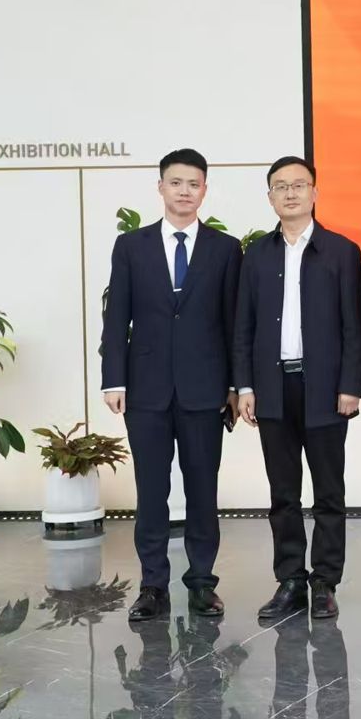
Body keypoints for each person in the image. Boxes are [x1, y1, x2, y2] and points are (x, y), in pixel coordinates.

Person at [100, 148, 240, 622]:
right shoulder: (131, 246)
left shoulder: (225, 249)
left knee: (202, 490)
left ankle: (202, 584)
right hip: (146, 390)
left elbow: (233, 324)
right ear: (160, 187)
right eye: (176, 182)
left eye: (193, 184)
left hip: (205, 389)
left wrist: (236, 385)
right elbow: (117, 317)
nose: (184, 191)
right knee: (151, 491)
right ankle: (152, 586)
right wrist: (114, 379)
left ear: (205, 190)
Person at [232, 156, 361, 622]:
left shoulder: (342, 251)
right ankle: (290, 580)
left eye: (299, 185)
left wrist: (351, 385)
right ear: (270, 196)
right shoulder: (257, 255)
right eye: (280, 186)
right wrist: (244, 386)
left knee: (329, 491)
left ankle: (325, 582)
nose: (290, 193)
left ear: (315, 193)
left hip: (326, 389)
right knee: (283, 493)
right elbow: (243, 326)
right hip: (272, 388)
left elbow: (355, 327)